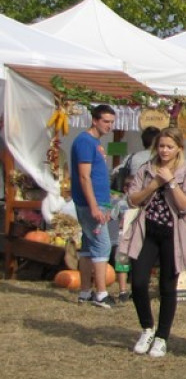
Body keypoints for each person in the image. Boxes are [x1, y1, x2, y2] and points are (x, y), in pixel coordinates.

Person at [123, 128, 186, 358]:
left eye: (169, 146)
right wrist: (154, 184)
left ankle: (162, 337)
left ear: (179, 149)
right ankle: (147, 327)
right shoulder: (146, 169)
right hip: (147, 231)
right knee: (137, 282)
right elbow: (133, 200)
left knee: (167, 287)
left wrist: (171, 183)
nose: (164, 151)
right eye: (161, 146)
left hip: (172, 234)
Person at [71, 104, 117, 308]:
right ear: (95, 120)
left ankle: (85, 291)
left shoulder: (95, 142)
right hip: (92, 202)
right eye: (106, 121)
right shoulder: (85, 141)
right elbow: (84, 176)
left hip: (99, 200)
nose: (109, 126)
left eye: (112, 122)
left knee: (89, 247)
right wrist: (94, 206)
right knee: (102, 244)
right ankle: (101, 293)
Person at [111, 125, 161, 304]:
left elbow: (116, 171)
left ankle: (124, 288)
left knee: (123, 250)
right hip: (147, 207)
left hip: (128, 205)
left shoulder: (132, 157)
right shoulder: (157, 159)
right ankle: (141, 286)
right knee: (144, 249)